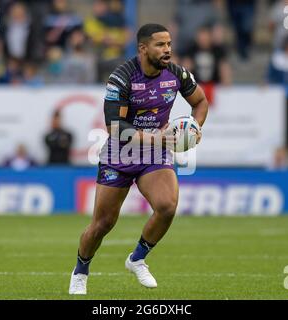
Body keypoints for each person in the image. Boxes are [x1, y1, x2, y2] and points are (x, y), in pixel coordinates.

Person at [69, 23, 209, 295]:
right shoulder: (122, 78)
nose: (167, 49)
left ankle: (137, 259)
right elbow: (115, 128)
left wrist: (195, 127)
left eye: (169, 44)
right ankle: (81, 270)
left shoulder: (177, 74)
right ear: (143, 48)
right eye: (160, 45)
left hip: (154, 154)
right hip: (120, 154)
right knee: (102, 224)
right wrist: (158, 138)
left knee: (167, 206)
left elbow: (200, 102)